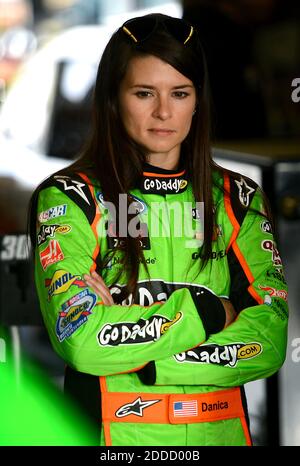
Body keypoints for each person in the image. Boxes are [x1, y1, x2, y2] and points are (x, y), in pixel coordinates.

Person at [29, 13, 288, 446]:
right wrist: (209, 311)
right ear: (113, 97)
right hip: (113, 438)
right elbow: (81, 338)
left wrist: (148, 360)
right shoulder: (70, 198)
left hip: (220, 435)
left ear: (197, 101)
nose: (164, 111)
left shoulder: (239, 199)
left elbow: (270, 340)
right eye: (144, 93)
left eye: (180, 93)